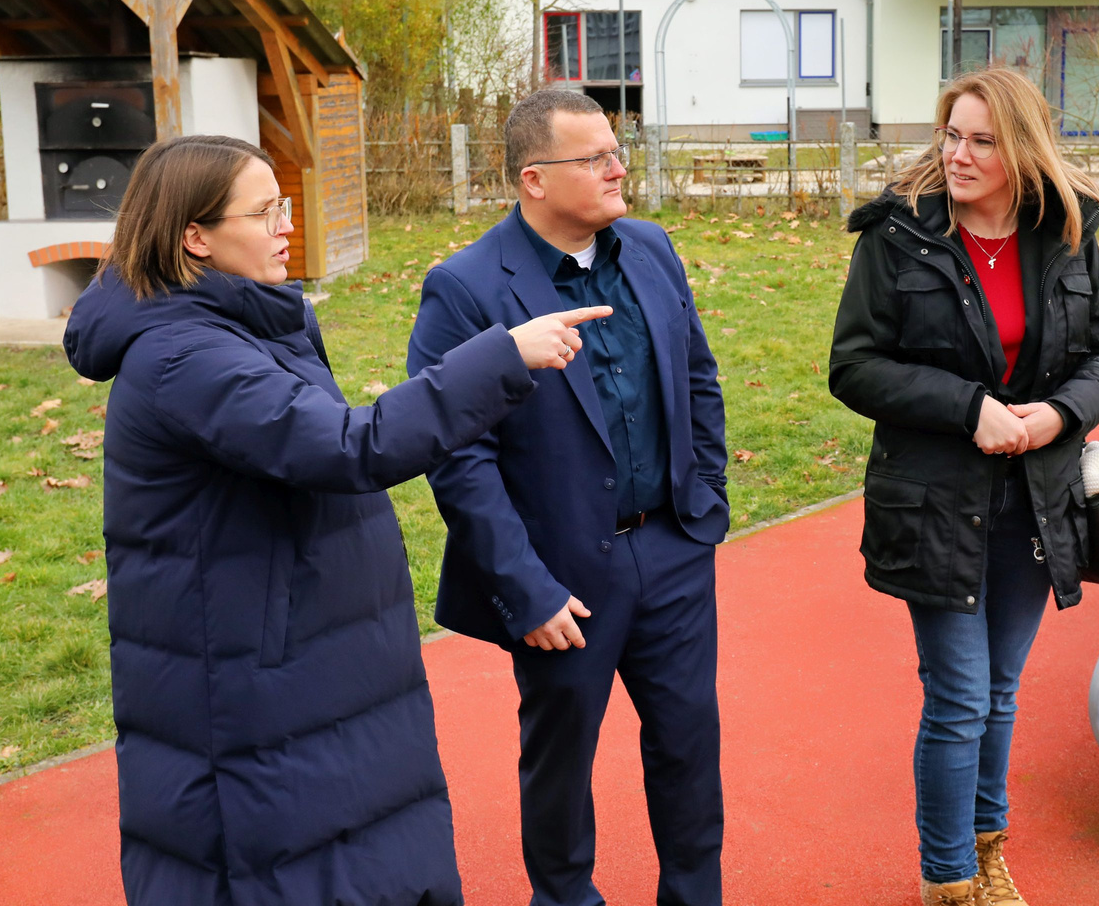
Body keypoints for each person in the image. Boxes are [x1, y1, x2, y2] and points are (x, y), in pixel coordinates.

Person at [63, 134, 607, 906]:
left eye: (283, 205)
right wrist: (502, 358)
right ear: (195, 235)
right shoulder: (187, 356)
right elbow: (350, 447)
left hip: (311, 656)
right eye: (263, 212)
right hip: (259, 675)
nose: (288, 225)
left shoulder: (240, 324)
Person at [409, 89, 729, 906]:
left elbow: (697, 377)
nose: (618, 168)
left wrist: (705, 507)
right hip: (561, 581)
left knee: (691, 749)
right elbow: (458, 459)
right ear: (534, 180)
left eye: (616, 149)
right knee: (561, 765)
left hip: (673, 549)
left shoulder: (652, 250)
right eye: (593, 158)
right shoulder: (466, 288)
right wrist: (525, 588)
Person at [828, 69, 1099, 906]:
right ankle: (949, 879)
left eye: (981, 141)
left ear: (1021, 150)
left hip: (1036, 499)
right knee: (960, 695)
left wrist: (1056, 417)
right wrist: (971, 409)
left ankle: (988, 848)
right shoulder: (897, 236)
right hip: (933, 503)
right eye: (951, 135)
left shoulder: (1067, 233)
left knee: (1000, 690)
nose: (957, 155)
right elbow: (852, 368)